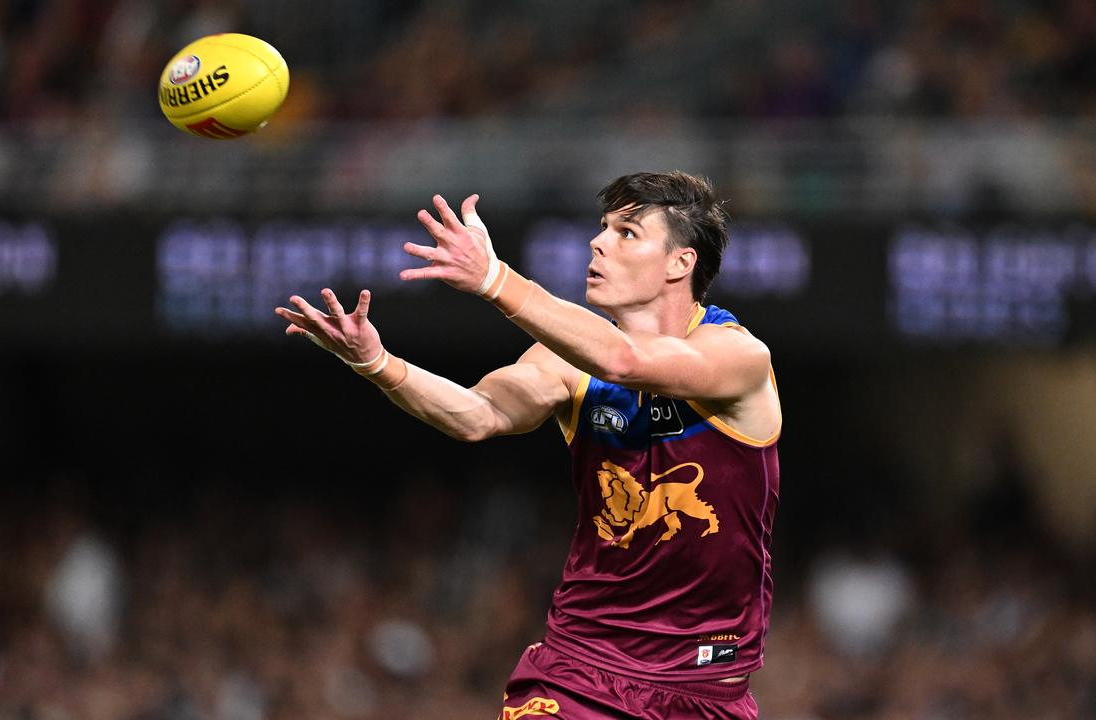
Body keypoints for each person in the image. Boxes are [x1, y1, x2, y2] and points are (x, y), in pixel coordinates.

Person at [276, 171, 781, 719]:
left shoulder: (739, 358)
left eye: (627, 233)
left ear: (680, 263)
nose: (598, 242)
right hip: (581, 671)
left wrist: (494, 277)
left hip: (705, 689)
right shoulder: (567, 360)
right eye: (603, 227)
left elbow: (627, 361)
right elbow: (478, 414)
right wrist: (377, 363)